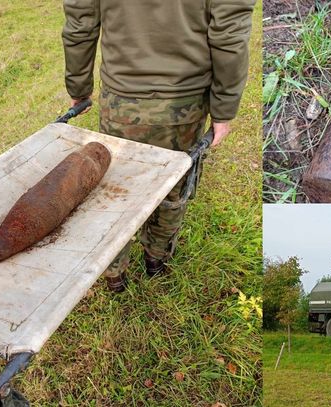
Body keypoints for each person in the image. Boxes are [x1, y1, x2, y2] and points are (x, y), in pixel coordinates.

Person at [62, 0, 255, 292]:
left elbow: (81, 20)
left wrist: (78, 87)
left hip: (122, 101)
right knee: (173, 187)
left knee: (115, 192)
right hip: (183, 102)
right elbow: (229, 31)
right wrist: (224, 108)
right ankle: (157, 258)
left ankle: (114, 274)